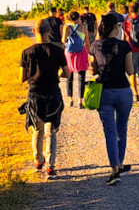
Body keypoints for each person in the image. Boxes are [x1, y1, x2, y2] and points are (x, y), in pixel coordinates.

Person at [20, 19, 71, 180]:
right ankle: (50, 166)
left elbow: (21, 77)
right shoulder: (57, 50)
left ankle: (38, 161)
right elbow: (67, 73)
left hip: (35, 94)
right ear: (49, 31)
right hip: (52, 93)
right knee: (52, 131)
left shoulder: (27, 52)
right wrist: (57, 75)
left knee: (37, 130)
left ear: (34, 32)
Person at [89, 14, 134, 186]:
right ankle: (120, 163)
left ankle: (115, 169)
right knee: (122, 128)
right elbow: (130, 71)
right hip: (123, 91)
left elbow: (92, 69)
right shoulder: (124, 45)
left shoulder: (95, 45)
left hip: (104, 92)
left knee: (110, 131)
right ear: (115, 28)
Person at [61, 11, 90, 108]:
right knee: (81, 77)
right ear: (78, 18)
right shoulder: (83, 27)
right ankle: (80, 100)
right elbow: (87, 42)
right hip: (81, 52)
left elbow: (63, 40)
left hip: (69, 54)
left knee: (69, 77)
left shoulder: (66, 27)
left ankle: (70, 99)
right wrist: (89, 54)